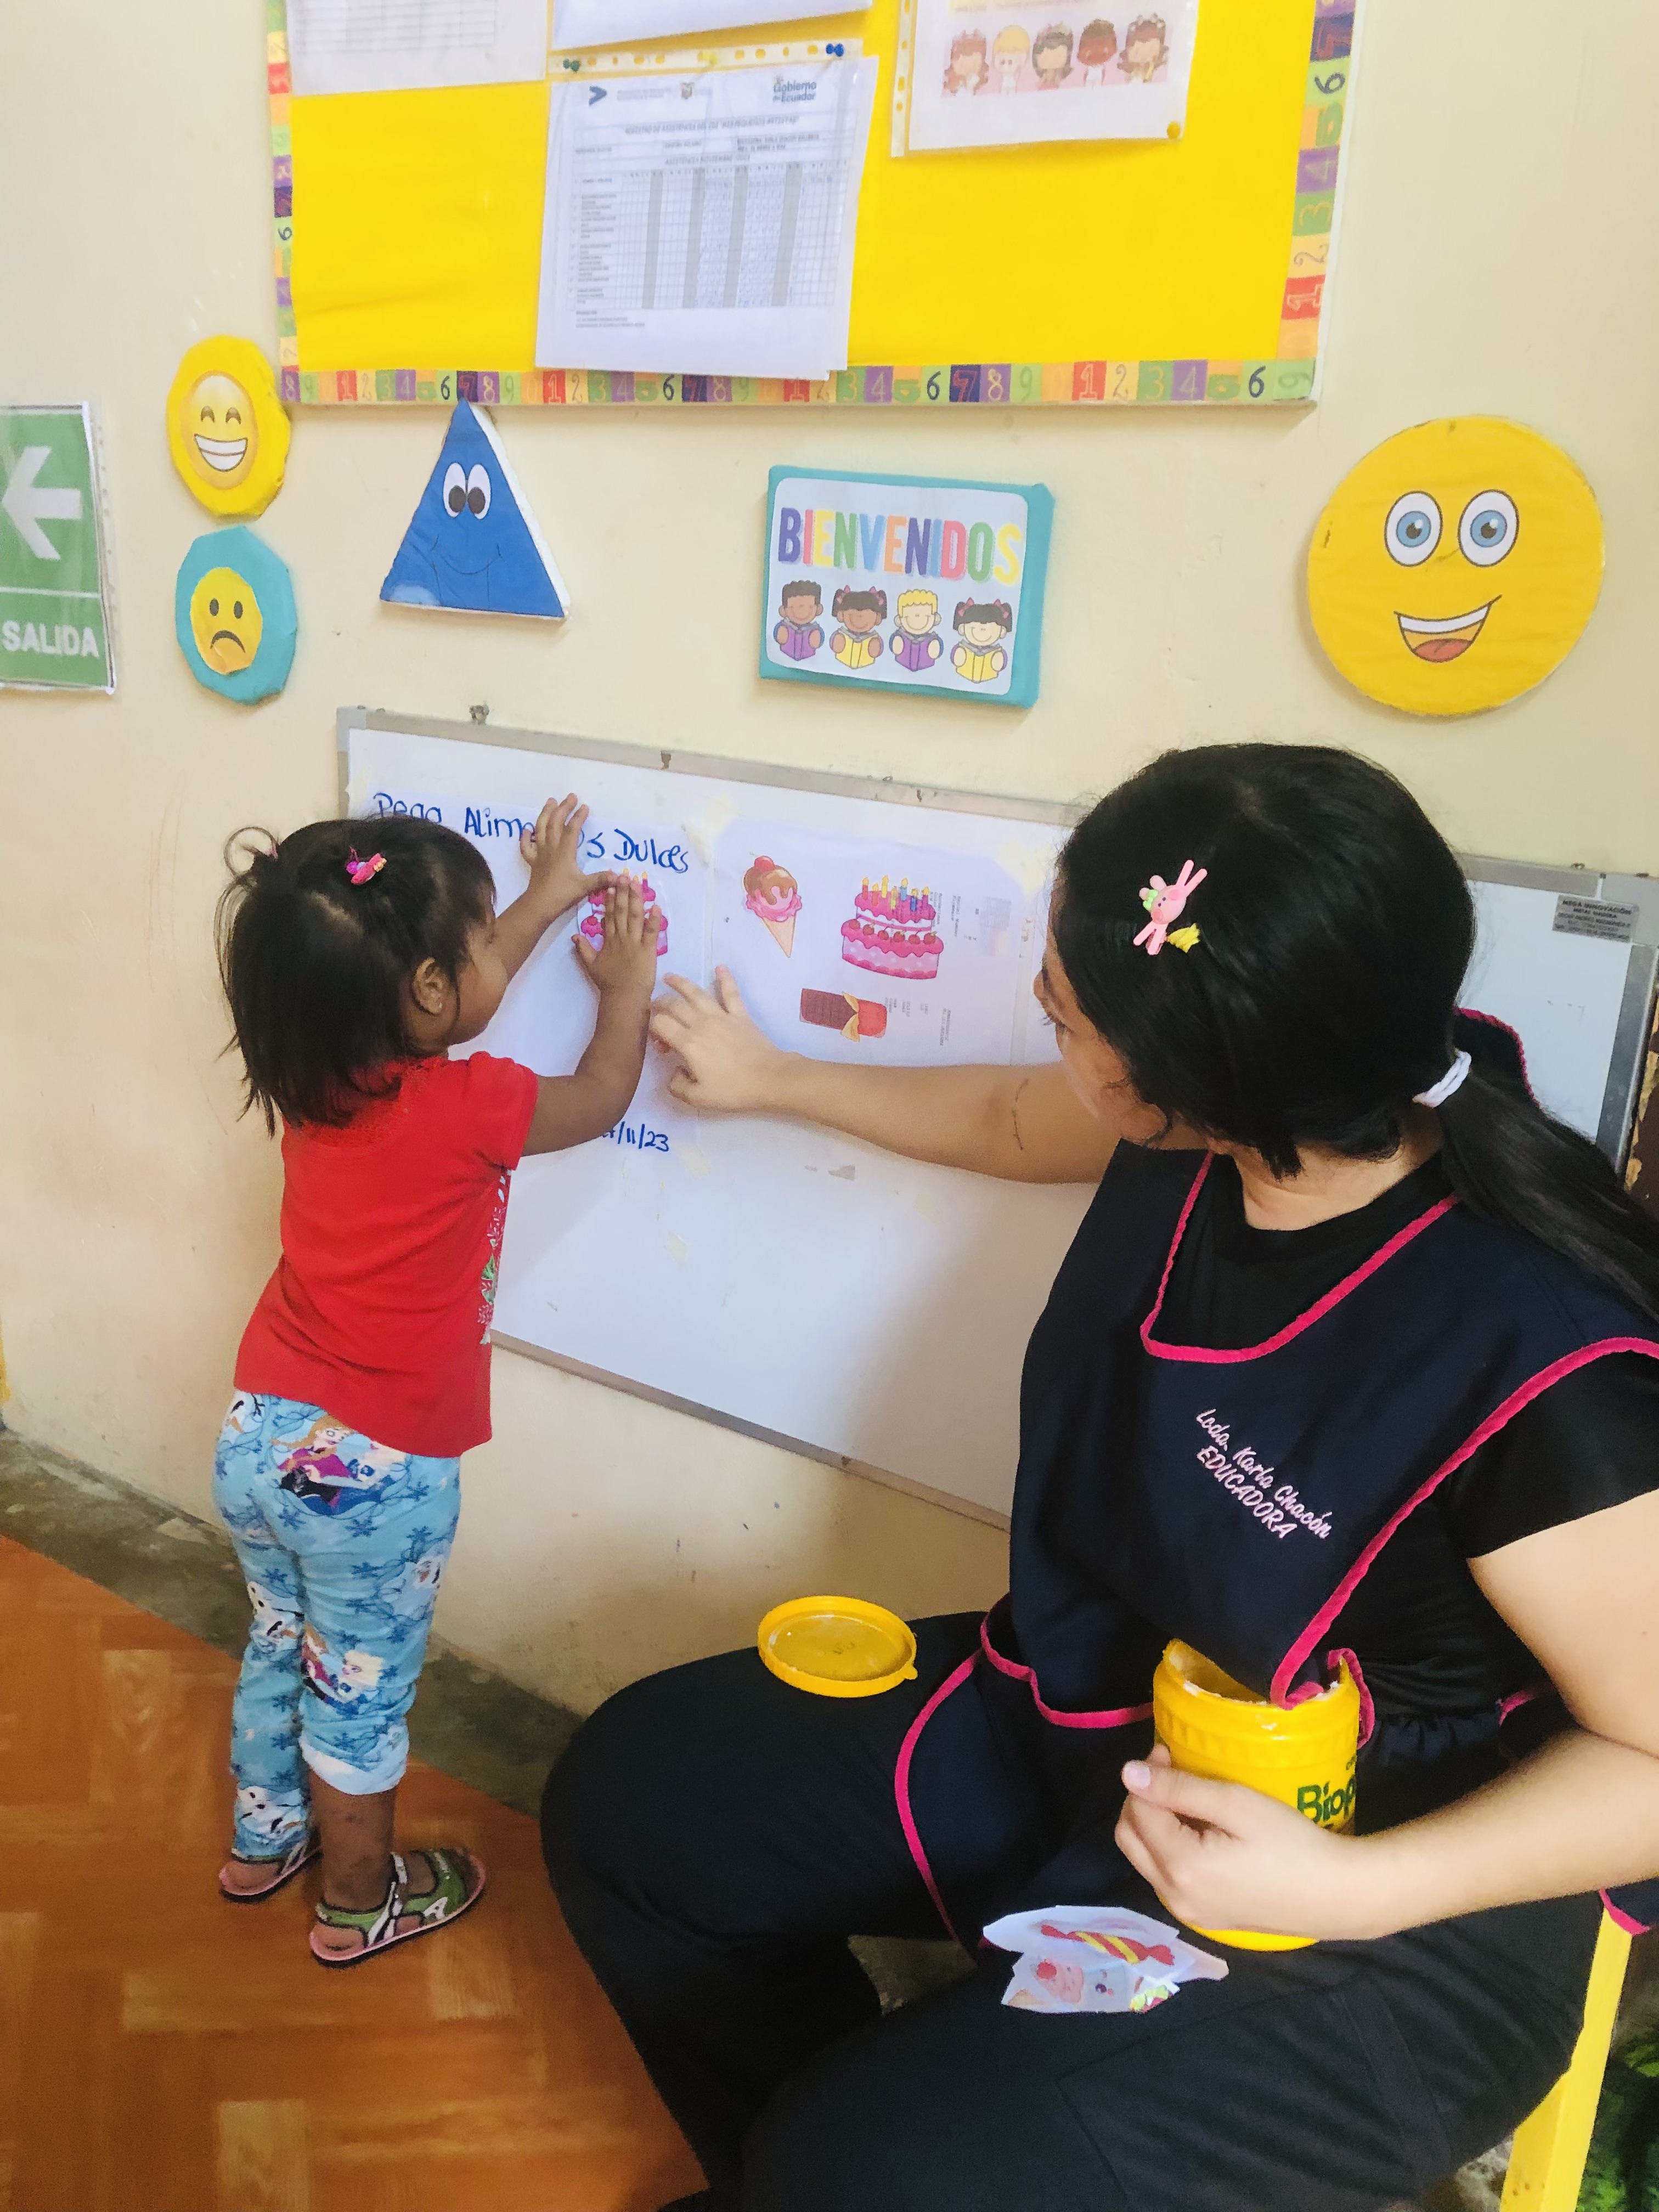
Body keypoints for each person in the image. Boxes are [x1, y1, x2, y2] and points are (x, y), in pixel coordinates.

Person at [543, 744, 1659, 2210]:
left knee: (861, 2166)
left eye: (1062, 1012)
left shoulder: (1544, 1361)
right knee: (640, 1806)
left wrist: (1349, 1888)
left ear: (1174, 1082)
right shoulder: (1259, 1094)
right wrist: (775, 1077)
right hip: (1109, 1714)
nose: (1041, 1015)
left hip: (1395, 1896)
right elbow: (1017, 1118)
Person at [216, 800, 659, 1963]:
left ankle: (264, 1842)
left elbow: (447, 989)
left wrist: (545, 899)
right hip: (376, 1470)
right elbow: (602, 1096)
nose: (491, 958)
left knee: (280, 1641)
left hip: (260, 1433)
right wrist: (625, 991)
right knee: (359, 1691)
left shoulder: (312, 1084)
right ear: (423, 990)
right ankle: (361, 1897)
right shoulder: (474, 1107)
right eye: (478, 944)